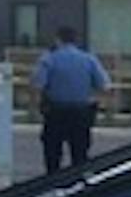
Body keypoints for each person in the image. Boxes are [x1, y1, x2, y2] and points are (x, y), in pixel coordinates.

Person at [32, 26, 111, 174]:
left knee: (52, 154)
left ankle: (53, 182)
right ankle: (78, 182)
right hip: (81, 112)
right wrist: (96, 102)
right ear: (75, 40)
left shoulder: (49, 59)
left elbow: (38, 85)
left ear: (58, 39)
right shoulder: (89, 59)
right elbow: (104, 86)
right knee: (80, 154)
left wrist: (38, 107)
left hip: (55, 111)